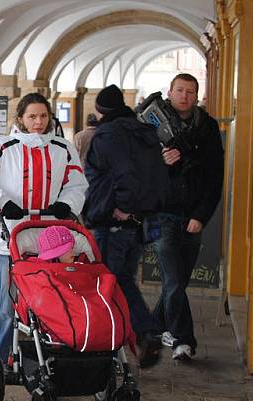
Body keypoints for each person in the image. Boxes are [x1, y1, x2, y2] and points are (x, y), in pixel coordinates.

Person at [0, 92, 88, 364]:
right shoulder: (0, 147)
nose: (38, 122)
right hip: (10, 238)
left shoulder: (64, 148)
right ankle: (5, 355)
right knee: (8, 303)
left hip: (52, 238)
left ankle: (53, 351)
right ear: (20, 117)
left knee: (54, 297)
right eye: (32, 116)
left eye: (43, 115)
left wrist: (67, 204)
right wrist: (2, 201)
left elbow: (77, 185)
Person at [82, 84, 168, 367]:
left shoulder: (109, 134)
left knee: (112, 279)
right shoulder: (143, 131)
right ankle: (131, 334)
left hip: (114, 221)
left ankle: (140, 332)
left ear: (100, 110)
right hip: (140, 223)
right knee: (124, 279)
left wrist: (123, 207)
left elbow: (125, 175)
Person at [156, 73, 224, 361]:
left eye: (190, 91)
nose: (184, 95)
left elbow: (214, 177)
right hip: (162, 216)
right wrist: (159, 163)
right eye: (179, 90)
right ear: (170, 92)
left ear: (197, 96)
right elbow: (139, 172)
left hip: (192, 216)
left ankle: (153, 326)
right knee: (173, 280)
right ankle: (184, 340)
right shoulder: (153, 124)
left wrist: (201, 215)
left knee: (178, 280)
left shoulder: (207, 128)